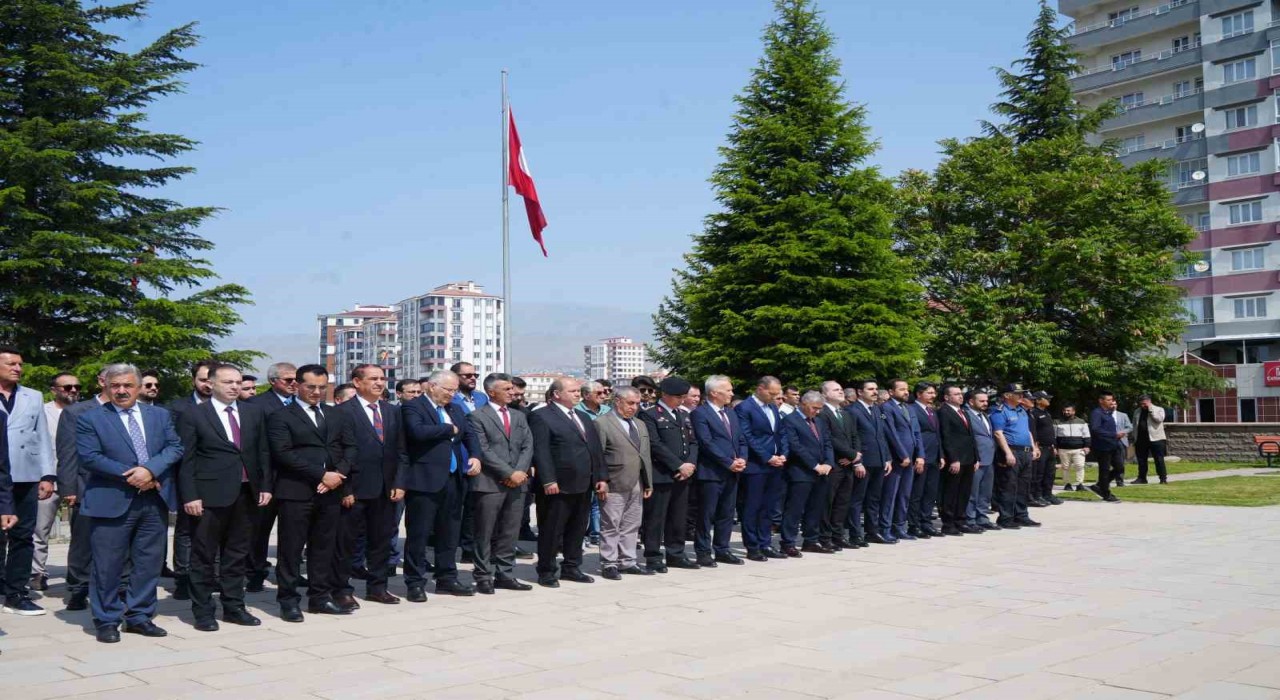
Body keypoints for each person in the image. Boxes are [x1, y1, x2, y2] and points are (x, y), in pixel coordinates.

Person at [74, 363, 183, 643]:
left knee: (148, 562)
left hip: (153, 499)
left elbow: (174, 447)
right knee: (107, 565)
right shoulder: (90, 418)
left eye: (127, 385)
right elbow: (90, 457)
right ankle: (107, 619)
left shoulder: (159, 415)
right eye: (115, 386)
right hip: (111, 500)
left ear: (138, 387)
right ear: (106, 387)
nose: (121, 391)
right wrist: (134, 475)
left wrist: (150, 470)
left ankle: (139, 616)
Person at [176, 363, 273, 631]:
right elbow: (186, 460)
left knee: (237, 554)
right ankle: (203, 610)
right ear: (212, 384)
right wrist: (190, 495)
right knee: (204, 556)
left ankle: (233, 606)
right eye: (228, 382)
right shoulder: (194, 414)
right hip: (209, 496)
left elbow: (262, 451)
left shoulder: (253, 412)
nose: (234, 387)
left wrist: (265, 486)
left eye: (237, 382)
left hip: (246, 493)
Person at [267, 363, 354, 621]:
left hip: (331, 492)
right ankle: (288, 600)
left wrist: (337, 476)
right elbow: (283, 453)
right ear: (297, 386)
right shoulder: (281, 416)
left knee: (324, 547)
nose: (317, 392)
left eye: (321, 387)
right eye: (310, 387)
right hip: (296, 491)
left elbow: (350, 448)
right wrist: (320, 474)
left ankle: (320, 597)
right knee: (291, 550)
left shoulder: (337, 414)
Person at [399, 369, 482, 600]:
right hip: (425, 480)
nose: (451, 395)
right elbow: (417, 432)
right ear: (431, 386)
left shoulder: (455, 408)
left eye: (455, 390)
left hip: (454, 479)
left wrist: (475, 455)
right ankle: (415, 582)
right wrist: (448, 429)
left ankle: (447, 578)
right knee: (419, 533)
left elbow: (469, 434)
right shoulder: (414, 406)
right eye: (448, 390)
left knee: (450, 533)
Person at [334, 364, 405, 606]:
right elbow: (337, 453)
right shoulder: (342, 412)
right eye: (373, 378)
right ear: (356, 382)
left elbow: (401, 451)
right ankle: (342, 589)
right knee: (347, 543)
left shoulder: (392, 411)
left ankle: (377, 587)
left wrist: (399, 482)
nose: (379, 383)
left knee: (381, 541)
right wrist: (345, 488)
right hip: (354, 489)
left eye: (382, 378)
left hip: (386, 489)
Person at [528, 378, 606, 587]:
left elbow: (595, 450)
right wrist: (548, 479)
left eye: (578, 391)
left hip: (584, 482)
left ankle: (572, 567)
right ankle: (546, 570)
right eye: (572, 391)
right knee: (552, 530)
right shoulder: (541, 416)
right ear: (556, 394)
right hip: (557, 485)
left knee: (577, 528)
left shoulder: (582, 416)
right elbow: (541, 451)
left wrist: (600, 478)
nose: (577, 394)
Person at [466, 372, 534, 594]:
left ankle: (505, 574)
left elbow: (527, 446)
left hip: (517, 483)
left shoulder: (519, 416)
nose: (512, 392)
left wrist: (519, 472)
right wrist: (508, 472)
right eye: (507, 389)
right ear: (491, 392)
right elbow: (483, 450)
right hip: (489, 483)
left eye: (512, 388)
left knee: (510, 531)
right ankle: (483, 575)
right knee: (485, 531)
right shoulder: (477, 416)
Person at [0, 347, 55, 616]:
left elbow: (42, 436)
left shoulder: (33, 396)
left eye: (20, 364)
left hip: (25, 474)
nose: (18, 369)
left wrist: (47, 475)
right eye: (11, 363)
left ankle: (16, 591)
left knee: (23, 536)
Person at [56, 369, 110, 611]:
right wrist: (69, 488)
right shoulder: (76, 412)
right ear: (101, 381)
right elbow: (67, 453)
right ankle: (78, 588)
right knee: (82, 542)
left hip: (121, 486)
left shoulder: (133, 410)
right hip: (85, 486)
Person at [166, 359, 218, 600]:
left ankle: (212, 575)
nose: (208, 384)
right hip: (189, 477)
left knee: (218, 528)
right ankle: (183, 578)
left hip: (220, 479)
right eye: (203, 379)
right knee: (186, 530)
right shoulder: (178, 408)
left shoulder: (231, 407)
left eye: (211, 379)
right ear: (193, 380)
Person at [244, 361, 297, 593]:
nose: (294, 384)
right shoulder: (256, 404)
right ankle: (255, 572)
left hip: (296, 478)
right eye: (288, 380)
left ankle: (289, 574)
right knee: (259, 530)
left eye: (296, 379)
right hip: (267, 477)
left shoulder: (302, 403)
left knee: (293, 531)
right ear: (274, 381)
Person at [638, 377, 699, 572]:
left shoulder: (683, 414)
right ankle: (653, 556)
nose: (682, 400)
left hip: (684, 474)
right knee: (656, 518)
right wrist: (678, 465)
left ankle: (676, 553)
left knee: (678, 516)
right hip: (662, 473)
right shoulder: (650, 414)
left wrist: (690, 463)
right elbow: (655, 444)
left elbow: (693, 442)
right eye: (678, 397)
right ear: (665, 395)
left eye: (684, 396)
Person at [594, 387, 654, 579]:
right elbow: (598, 455)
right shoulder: (602, 423)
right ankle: (609, 562)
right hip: (614, 480)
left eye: (637, 403)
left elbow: (645, 455)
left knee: (632, 523)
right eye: (630, 403)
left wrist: (648, 482)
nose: (634, 407)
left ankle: (628, 561)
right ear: (617, 401)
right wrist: (601, 480)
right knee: (611, 524)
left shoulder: (639, 424)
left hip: (637, 481)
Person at [690, 375, 748, 567]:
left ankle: (723, 549)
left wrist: (741, 459)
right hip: (711, 473)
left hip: (733, 470)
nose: (732, 393)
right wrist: (727, 462)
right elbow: (706, 443)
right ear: (714, 392)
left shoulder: (730, 413)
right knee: (707, 514)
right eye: (728, 390)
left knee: (727, 513)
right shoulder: (700, 413)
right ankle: (703, 551)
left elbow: (740, 439)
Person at [32, 372, 78, 592]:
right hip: (49, 479)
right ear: (54, 390)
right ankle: (37, 573)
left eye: (76, 387)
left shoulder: (86, 412)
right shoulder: (42, 412)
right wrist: (44, 477)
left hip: (77, 480)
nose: (73, 391)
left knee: (82, 531)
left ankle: (77, 574)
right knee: (40, 529)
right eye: (67, 387)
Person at [735, 376, 788, 562]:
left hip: (775, 465)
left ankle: (765, 543)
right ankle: (752, 546)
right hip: (756, 466)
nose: (775, 397)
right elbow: (747, 437)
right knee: (752, 507)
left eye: (777, 394)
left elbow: (781, 433)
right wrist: (767, 457)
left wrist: (783, 454)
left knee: (769, 507)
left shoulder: (773, 407)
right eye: (772, 393)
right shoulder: (744, 408)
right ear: (760, 389)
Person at [779, 391, 835, 556]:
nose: (817, 411)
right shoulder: (790, 420)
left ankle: (811, 540)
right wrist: (814, 465)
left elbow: (827, 443)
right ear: (803, 404)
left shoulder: (819, 421)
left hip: (822, 471)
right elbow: (795, 447)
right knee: (795, 509)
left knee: (816, 507)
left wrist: (828, 463)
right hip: (800, 472)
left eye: (819, 409)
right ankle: (788, 542)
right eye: (814, 408)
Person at [846, 380, 891, 545]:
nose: (875, 392)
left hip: (878, 461)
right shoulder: (852, 410)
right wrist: (857, 462)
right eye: (870, 389)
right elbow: (852, 437)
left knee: (874, 499)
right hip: (863, 461)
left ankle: (872, 532)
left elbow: (882, 436)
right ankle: (855, 534)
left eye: (876, 389)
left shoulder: (877, 409)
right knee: (857, 500)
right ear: (859, 392)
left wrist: (886, 458)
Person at [817, 381, 860, 551]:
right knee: (828, 502)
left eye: (841, 389)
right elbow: (828, 438)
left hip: (847, 465)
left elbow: (855, 435)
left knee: (842, 502)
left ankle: (838, 535)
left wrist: (854, 456)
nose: (841, 392)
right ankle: (825, 537)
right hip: (833, 463)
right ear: (825, 394)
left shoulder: (846, 413)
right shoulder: (822, 413)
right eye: (836, 390)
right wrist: (850, 454)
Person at [990, 384, 1040, 529]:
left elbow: (1028, 431)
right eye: (1017, 393)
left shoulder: (1022, 411)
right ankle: (1006, 517)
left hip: (1025, 452)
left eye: (1021, 393)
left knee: (1024, 486)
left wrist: (1033, 447)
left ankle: (1021, 515)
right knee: (1008, 486)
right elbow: (998, 433)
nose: (1021, 396)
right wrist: (1007, 453)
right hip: (1012, 451)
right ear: (1007, 395)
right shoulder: (1001, 411)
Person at [880, 379, 923, 542]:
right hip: (898, 459)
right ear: (891, 392)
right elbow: (891, 433)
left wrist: (920, 455)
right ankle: (885, 528)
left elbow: (916, 433)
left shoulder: (909, 408)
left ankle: (899, 527)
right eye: (901, 389)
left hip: (911, 459)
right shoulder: (886, 408)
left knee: (904, 494)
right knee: (890, 495)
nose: (906, 392)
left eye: (907, 389)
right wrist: (902, 454)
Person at [937, 384, 979, 536]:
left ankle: (960, 520)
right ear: (947, 397)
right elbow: (946, 437)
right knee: (951, 492)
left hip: (968, 458)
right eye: (956, 394)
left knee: (964, 492)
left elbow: (971, 436)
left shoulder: (963, 412)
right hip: (955, 460)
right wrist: (953, 459)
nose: (960, 396)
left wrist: (976, 458)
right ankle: (948, 523)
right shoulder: (944, 412)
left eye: (961, 394)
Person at [574, 380, 609, 548]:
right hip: (585, 462)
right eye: (599, 393)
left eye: (605, 393)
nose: (604, 396)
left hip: (605, 461)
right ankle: (580, 535)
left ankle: (596, 533)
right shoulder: (577, 411)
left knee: (598, 501)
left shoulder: (608, 411)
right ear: (586, 395)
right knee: (585, 502)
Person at [906, 382, 942, 538]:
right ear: (919, 394)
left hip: (934, 456)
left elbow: (937, 434)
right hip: (921, 456)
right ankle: (914, 525)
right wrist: (918, 456)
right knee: (917, 493)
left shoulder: (932, 411)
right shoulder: (912, 409)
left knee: (930, 493)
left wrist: (941, 455)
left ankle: (926, 522)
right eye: (929, 393)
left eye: (934, 393)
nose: (933, 396)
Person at [964, 390, 1000, 531]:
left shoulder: (984, 415)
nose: (985, 403)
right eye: (982, 401)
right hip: (976, 459)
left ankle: (982, 517)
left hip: (989, 458)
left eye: (986, 401)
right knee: (972, 491)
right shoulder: (966, 414)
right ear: (971, 401)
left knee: (985, 492)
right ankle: (970, 518)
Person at [1088, 392, 1124, 503]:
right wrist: (1113, 435)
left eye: (1112, 400)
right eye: (1108, 400)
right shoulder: (1097, 413)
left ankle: (1099, 486)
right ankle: (1106, 494)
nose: (1111, 402)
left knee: (1119, 468)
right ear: (1101, 401)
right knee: (1104, 470)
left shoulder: (1108, 413)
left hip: (1113, 445)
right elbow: (1095, 429)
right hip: (1102, 446)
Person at [1027, 391, 1061, 505]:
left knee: (1050, 473)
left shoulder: (1046, 413)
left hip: (1050, 447)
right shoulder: (1034, 413)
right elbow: (1033, 431)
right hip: (1040, 447)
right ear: (1038, 400)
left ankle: (1048, 494)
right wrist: (1035, 446)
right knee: (1039, 473)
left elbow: (1050, 431)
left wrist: (1054, 446)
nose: (1048, 400)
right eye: (1046, 398)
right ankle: (1038, 494)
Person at [1055, 403, 1090, 492]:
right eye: (1065, 410)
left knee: (1080, 466)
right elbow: (1054, 437)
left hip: (1079, 449)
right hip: (1063, 449)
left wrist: (1087, 446)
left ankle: (1080, 484)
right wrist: (1055, 448)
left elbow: (1087, 435)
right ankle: (1067, 484)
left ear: (1073, 411)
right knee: (1065, 467)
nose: (1066, 412)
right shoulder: (1057, 422)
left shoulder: (1081, 422)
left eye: (1068, 410)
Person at [1132, 395, 1166, 484]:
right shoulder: (1137, 411)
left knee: (1159, 459)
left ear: (1149, 401)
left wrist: (1150, 410)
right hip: (1141, 439)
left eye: (1144, 404)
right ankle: (1142, 478)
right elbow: (1134, 425)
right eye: (1141, 404)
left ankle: (1163, 478)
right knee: (1141, 460)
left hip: (1156, 439)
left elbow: (1159, 419)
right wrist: (1133, 437)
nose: (1143, 406)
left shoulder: (1159, 409)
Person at [1113, 408, 1133, 487]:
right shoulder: (1103, 415)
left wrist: (1122, 432)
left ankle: (1120, 481)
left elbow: (1129, 427)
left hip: (1121, 440)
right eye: (1111, 404)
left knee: (1120, 462)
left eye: (1114, 404)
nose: (1113, 406)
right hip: (1108, 441)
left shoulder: (1123, 415)